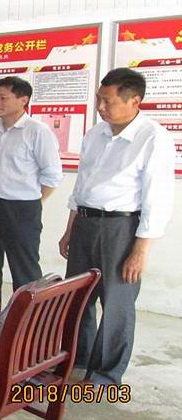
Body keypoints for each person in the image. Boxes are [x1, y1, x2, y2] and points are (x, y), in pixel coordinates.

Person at [59, 68, 175, 386]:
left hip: (121, 229)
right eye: (99, 99)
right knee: (77, 297)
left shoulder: (153, 138)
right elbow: (82, 186)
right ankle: (78, 359)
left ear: (134, 101)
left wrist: (140, 251)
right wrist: (70, 229)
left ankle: (106, 375)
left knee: (116, 304)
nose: (100, 107)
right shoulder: (95, 134)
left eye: (108, 101)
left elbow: (157, 199)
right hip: (85, 222)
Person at [0, 76, 63, 303]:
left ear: (23, 100)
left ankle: (26, 318)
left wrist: (33, 203)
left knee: (24, 268)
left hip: (22, 209)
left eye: (3, 98)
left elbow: (52, 175)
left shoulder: (37, 131)